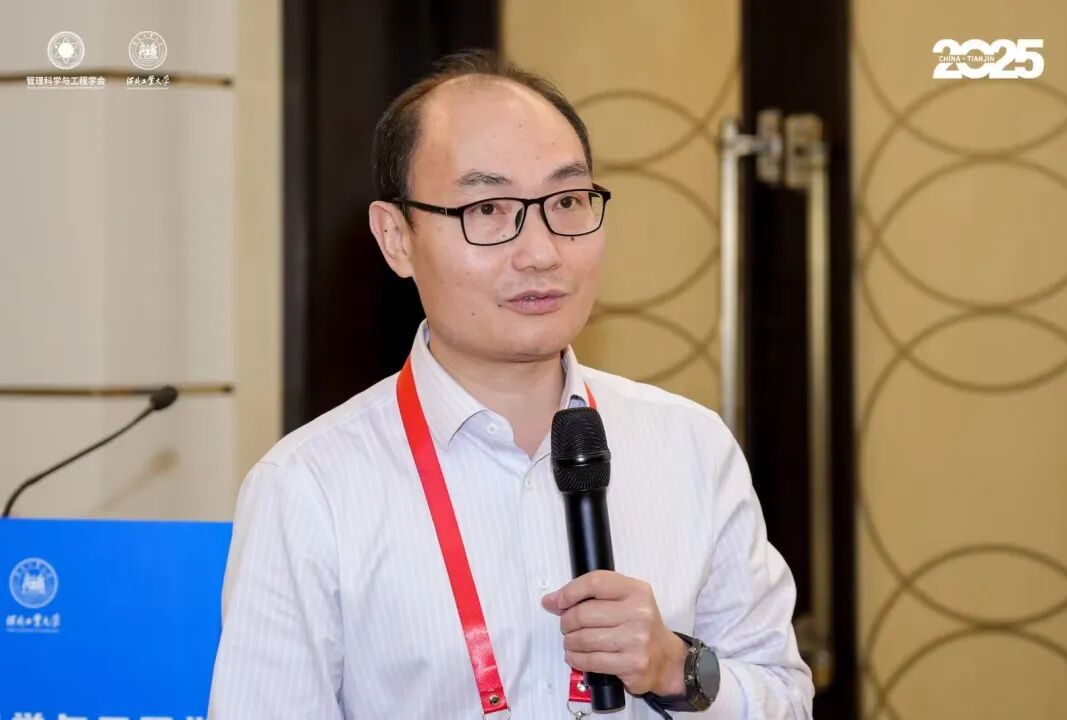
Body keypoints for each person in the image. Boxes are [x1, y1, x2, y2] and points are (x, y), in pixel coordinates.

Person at [209, 49, 813, 719]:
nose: (541, 252)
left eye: (567, 201)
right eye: (489, 208)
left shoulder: (690, 445)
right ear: (396, 237)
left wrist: (676, 668)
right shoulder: (307, 488)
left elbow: (786, 698)